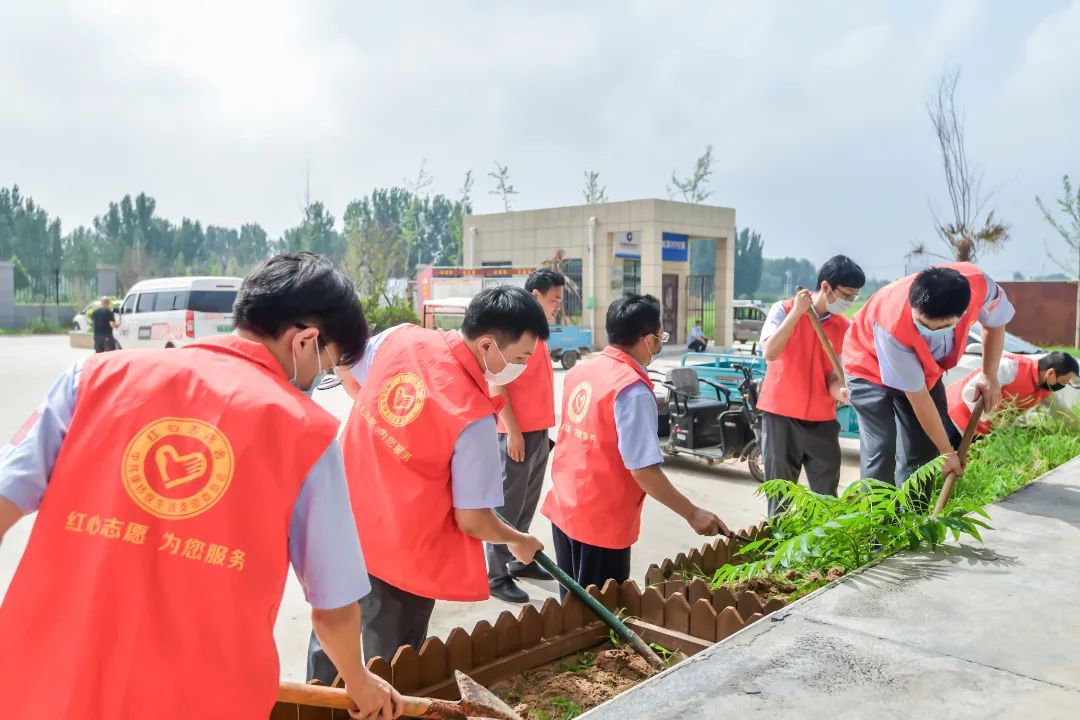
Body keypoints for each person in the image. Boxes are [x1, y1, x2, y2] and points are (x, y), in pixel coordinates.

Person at [0, 253, 401, 720]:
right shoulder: (305, 435)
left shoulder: (92, 379)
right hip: (197, 697)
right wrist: (359, 681)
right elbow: (333, 610)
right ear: (306, 340)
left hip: (47, 681)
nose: (321, 378)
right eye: (327, 364)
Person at [307, 285, 548, 682]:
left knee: (331, 644)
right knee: (387, 667)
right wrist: (517, 539)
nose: (521, 367)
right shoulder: (473, 416)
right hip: (403, 555)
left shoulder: (402, 337)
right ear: (488, 346)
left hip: (344, 522)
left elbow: (345, 364)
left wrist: (370, 414)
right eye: (520, 357)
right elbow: (472, 519)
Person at [540, 293, 731, 594]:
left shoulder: (581, 371)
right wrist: (693, 513)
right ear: (647, 340)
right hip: (600, 522)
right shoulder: (632, 390)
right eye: (660, 337)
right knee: (599, 621)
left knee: (573, 614)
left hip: (566, 507)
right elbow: (643, 471)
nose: (659, 344)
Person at [843, 262, 1014, 494]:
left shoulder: (981, 287)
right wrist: (947, 452)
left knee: (924, 450)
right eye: (922, 324)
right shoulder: (892, 323)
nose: (930, 331)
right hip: (867, 366)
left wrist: (989, 374)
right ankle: (877, 523)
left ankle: (914, 520)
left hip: (924, 370)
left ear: (963, 314)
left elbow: (995, 325)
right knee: (882, 446)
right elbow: (918, 396)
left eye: (943, 327)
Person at [757, 255, 865, 515]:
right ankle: (778, 550)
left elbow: (833, 378)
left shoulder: (843, 327)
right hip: (781, 417)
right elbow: (770, 352)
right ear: (826, 287)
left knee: (826, 495)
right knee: (779, 495)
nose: (849, 302)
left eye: (854, 297)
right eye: (847, 295)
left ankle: (824, 552)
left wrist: (842, 392)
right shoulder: (782, 310)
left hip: (821, 421)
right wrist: (797, 313)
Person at [487, 269, 563, 603]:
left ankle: (520, 560)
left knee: (527, 502)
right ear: (535, 296)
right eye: (554, 300)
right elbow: (496, 382)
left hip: (537, 431)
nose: (558, 306)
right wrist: (512, 431)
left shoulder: (539, 335)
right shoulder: (514, 332)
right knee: (507, 503)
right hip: (514, 432)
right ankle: (496, 574)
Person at [947, 351, 1078, 440]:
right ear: (1050, 373)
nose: (1062, 386)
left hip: (976, 433)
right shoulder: (1011, 368)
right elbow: (969, 392)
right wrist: (993, 419)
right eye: (1063, 382)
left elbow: (1063, 413)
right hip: (952, 417)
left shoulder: (1044, 390)